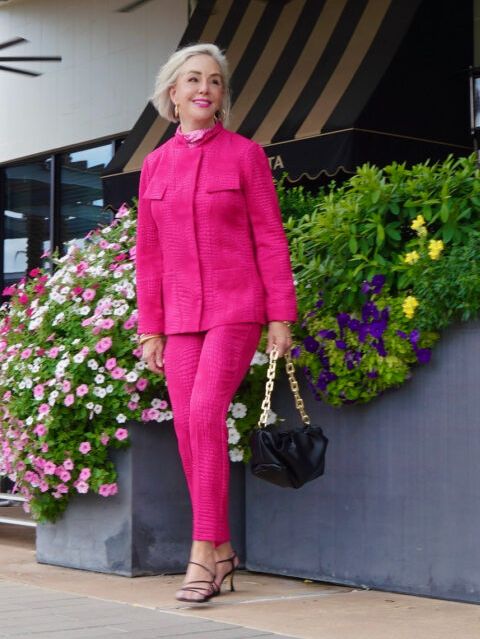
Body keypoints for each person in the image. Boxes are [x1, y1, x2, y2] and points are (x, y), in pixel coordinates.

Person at [135, 44, 297, 603]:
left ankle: (202, 552)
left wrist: (280, 315)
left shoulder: (245, 156)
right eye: (193, 80)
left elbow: (270, 239)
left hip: (236, 307)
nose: (205, 89)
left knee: (204, 412)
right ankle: (223, 550)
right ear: (173, 94)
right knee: (187, 428)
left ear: (222, 96)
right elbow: (148, 254)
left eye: (215, 82)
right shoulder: (154, 165)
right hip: (179, 316)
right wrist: (150, 327)